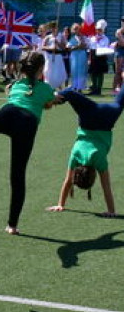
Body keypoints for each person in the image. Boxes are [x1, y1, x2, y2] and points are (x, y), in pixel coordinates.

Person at [0, 52, 56, 235]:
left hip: (10, 112)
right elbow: (48, 104)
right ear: (40, 69)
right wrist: (52, 99)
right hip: (27, 124)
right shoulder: (46, 88)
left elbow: (15, 94)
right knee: (17, 175)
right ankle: (12, 225)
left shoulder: (15, 85)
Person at [46, 87, 124, 218]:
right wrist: (60, 204)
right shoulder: (76, 155)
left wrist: (111, 211)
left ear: (93, 176)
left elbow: (106, 187)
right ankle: (53, 98)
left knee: (120, 102)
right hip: (88, 116)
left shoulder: (99, 160)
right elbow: (67, 182)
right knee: (70, 94)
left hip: (108, 117)